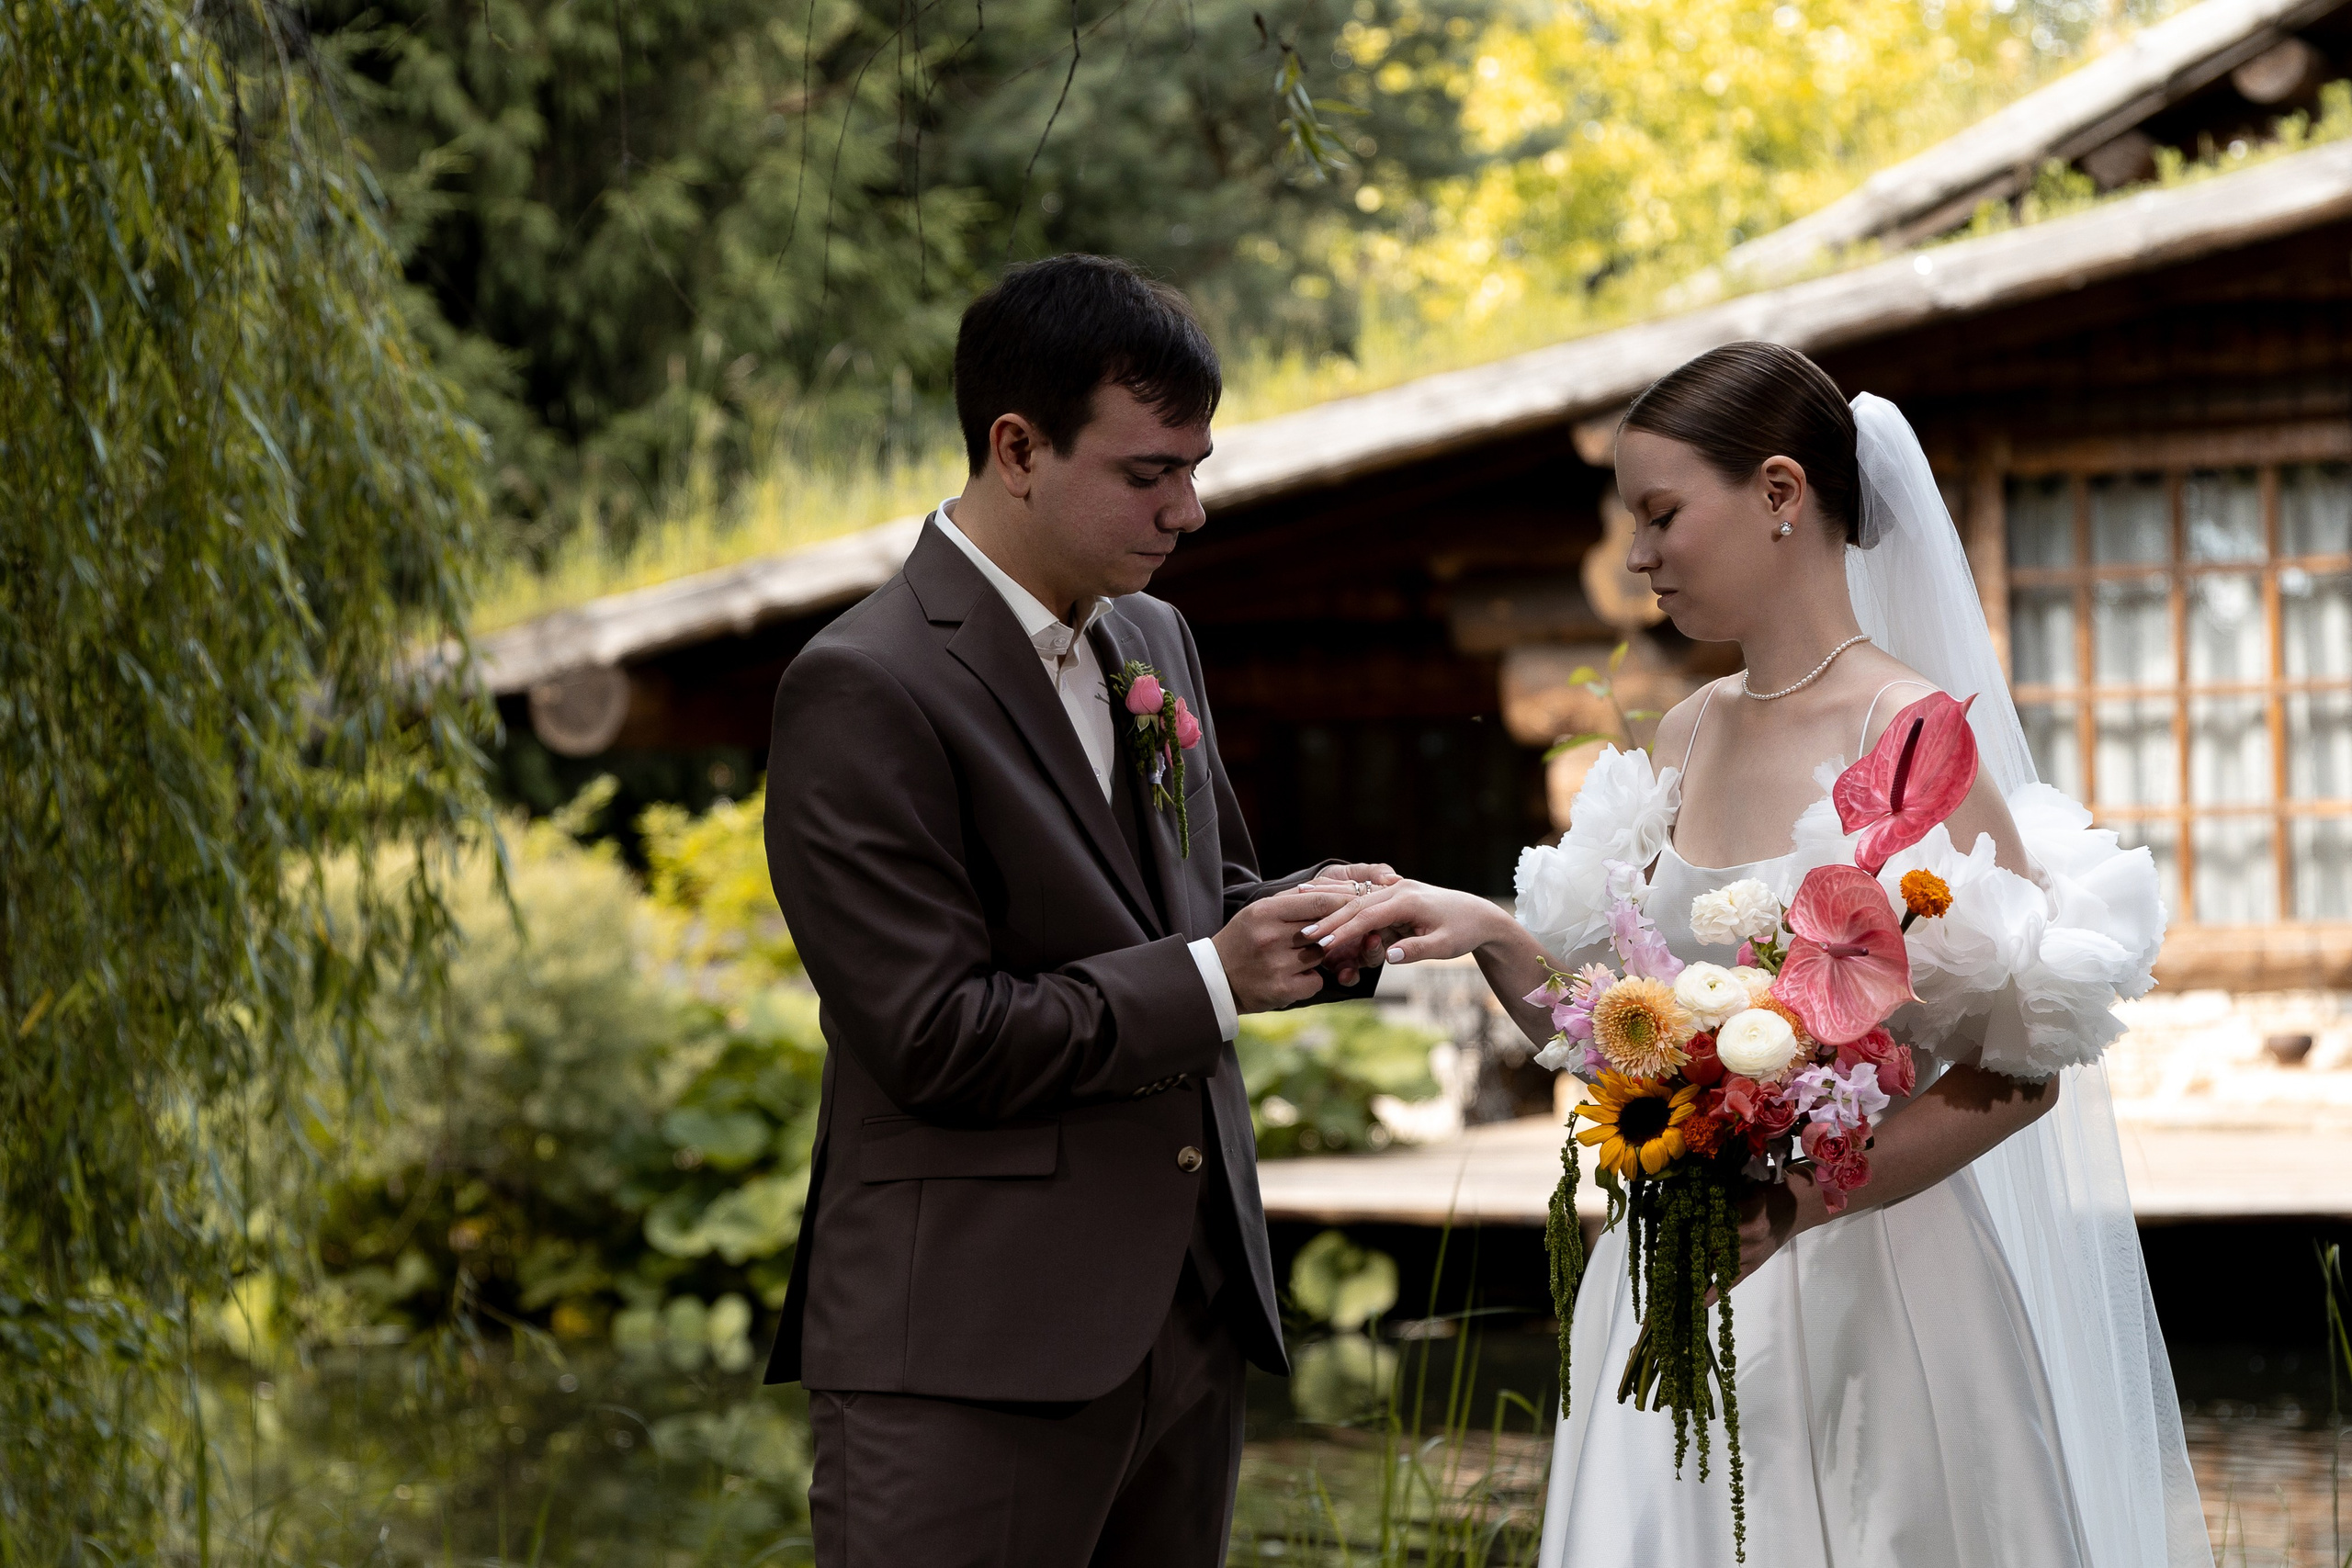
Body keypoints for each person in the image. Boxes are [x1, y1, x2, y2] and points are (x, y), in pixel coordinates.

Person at [1302, 343, 2210, 1566]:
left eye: (1662, 514)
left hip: (1872, 1293)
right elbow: (1624, 1047)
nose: (1639, 556)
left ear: (1781, 493)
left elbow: (2022, 1070)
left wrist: (1793, 1201)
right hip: (1666, 1278)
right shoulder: (1686, 730)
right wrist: (1490, 934)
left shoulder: (1909, 734)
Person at [760, 253, 1394, 1568]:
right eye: (1149, 472)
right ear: (1016, 448)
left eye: (1196, 467)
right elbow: (935, 1035)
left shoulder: (1155, 640)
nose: (1191, 510)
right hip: (969, 1349)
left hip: (1189, 1315)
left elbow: (1188, 907)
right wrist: (1221, 973)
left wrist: (1332, 914)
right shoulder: (863, 685)